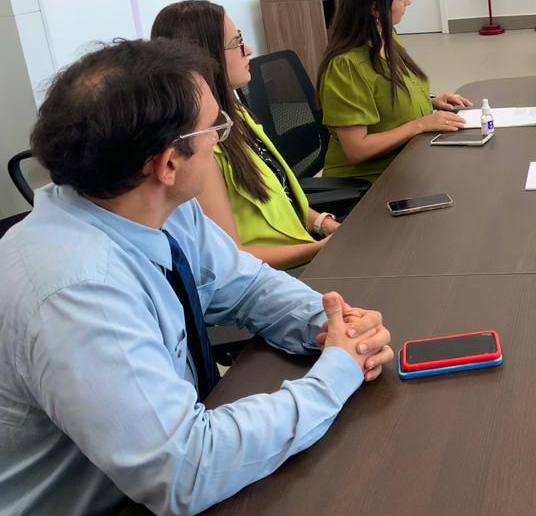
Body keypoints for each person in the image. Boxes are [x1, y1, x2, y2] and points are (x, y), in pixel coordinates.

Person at [0, 39, 393, 515]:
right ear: (168, 163)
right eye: (215, 127)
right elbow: (184, 469)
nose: (221, 139)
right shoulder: (78, 289)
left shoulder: (153, 205)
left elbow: (245, 284)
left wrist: (333, 325)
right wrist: (335, 376)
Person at [152, 0, 335, 271]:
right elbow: (230, 257)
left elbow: (281, 198)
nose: (247, 50)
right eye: (236, 42)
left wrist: (324, 224)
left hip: (301, 252)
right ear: (205, 56)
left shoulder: (237, 116)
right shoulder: (200, 148)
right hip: (273, 278)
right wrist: (317, 249)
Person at [317, 0, 471, 181]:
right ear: (375, 7)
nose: (408, 2)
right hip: (372, 186)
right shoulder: (345, 67)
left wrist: (428, 102)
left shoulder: (385, 35)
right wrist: (420, 124)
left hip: (408, 162)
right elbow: (357, 150)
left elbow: (385, 100)